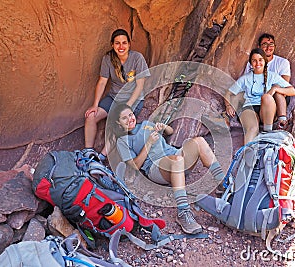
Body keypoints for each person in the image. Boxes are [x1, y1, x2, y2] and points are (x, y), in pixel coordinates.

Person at [113, 104, 226, 234]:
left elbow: (170, 132)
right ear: (118, 123)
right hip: (156, 168)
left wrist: (164, 127)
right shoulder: (123, 141)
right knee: (176, 161)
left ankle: (222, 183)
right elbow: (135, 166)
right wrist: (148, 143)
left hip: (175, 155)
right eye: (124, 118)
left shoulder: (145, 124)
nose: (130, 119)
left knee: (199, 141)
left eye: (131, 115)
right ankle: (183, 213)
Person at [84, 29, 150, 162]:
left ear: (129, 44)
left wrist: (128, 106)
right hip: (114, 97)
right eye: (117, 43)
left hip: (133, 100)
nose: (121, 47)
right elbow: (102, 82)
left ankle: (101, 157)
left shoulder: (137, 58)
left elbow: (140, 86)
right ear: (112, 45)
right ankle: (88, 152)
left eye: (124, 43)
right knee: (91, 116)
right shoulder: (108, 59)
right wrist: (95, 105)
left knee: (121, 124)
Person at [225, 48, 295, 143]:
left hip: (267, 110)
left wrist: (275, 89)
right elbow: (228, 93)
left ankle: (267, 131)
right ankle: (247, 155)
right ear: (250, 63)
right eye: (254, 60)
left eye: (260, 60)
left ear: (265, 61)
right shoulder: (245, 78)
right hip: (249, 107)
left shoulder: (272, 76)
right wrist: (228, 105)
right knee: (252, 128)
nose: (257, 63)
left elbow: (293, 91)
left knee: (266, 97)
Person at [244, 33, 291, 129]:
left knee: (277, 90)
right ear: (259, 47)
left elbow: (284, 84)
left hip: (275, 99)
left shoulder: (282, 62)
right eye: (265, 44)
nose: (268, 47)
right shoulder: (252, 63)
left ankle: (281, 121)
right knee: (252, 125)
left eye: (271, 44)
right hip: (256, 99)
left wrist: (272, 90)